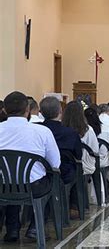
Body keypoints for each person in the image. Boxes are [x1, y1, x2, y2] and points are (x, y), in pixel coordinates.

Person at [0, 91, 60, 241]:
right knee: (45, 180)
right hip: (34, 186)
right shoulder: (42, 131)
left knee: (11, 181)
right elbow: (55, 163)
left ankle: (12, 230)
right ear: (27, 110)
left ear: (5, 110)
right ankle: (34, 227)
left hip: (1, 186)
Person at [39, 96, 82, 184]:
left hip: (41, 173)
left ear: (41, 112)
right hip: (65, 174)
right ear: (60, 111)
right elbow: (78, 155)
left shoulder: (36, 130)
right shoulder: (70, 132)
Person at [62, 101, 98, 175]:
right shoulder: (88, 130)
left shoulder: (61, 129)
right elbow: (95, 150)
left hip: (64, 166)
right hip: (84, 165)